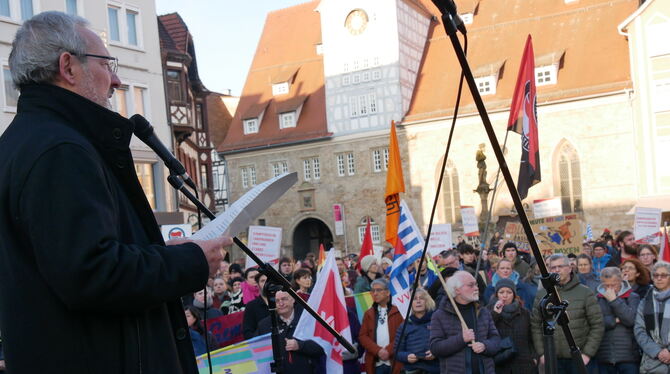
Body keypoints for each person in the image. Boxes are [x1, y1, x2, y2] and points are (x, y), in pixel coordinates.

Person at [0, 12, 231, 374]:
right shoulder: (61, 150)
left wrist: (155, 254)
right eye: (107, 64)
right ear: (69, 67)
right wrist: (190, 262)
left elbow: (77, 260)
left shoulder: (27, 142)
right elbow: (93, 275)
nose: (117, 80)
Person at [530, 253, 604, 374]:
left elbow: (597, 325)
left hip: (579, 359)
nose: (557, 270)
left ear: (569, 268)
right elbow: (535, 325)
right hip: (553, 360)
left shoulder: (585, 292)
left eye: (560, 266)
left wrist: (587, 354)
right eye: (553, 267)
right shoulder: (542, 294)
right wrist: (542, 353)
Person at [430, 270, 500, 373]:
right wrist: (461, 339)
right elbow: (435, 348)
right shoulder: (440, 315)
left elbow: (496, 340)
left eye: (476, 284)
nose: (476, 288)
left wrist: (485, 346)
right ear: (457, 290)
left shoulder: (483, 311)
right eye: (471, 285)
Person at [257, 291, 325, 372]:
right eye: (276, 301)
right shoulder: (264, 325)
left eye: (284, 299)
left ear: (293, 299)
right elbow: (259, 353)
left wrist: (299, 345)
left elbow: (322, 347)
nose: (280, 303)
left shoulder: (308, 318)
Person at [594, 267, 640, 374]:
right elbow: (596, 323)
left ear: (620, 281)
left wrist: (613, 300)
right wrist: (614, 320)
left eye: (613, 285)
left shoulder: (632, 297)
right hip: (604, 355)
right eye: (606, 285)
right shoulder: (597, 298)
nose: (610, 289)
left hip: (628, 356)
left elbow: (630, 320)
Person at [488, 278, 535, 374]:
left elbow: (532, 337)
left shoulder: (524, 313)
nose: (505, 295)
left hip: (523, 363)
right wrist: (495, 314)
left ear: (514, 294)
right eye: (501, 292)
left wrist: (534, 357)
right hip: (500, 363)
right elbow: (484, 331)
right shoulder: (488, 311)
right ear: (496, 294)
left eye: (509, 292)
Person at [360, 278, 404, 374]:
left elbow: (403, 335)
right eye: (373, 291)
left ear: (388, 292)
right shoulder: (368, 313)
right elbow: (363, 336)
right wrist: (378, 351)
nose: (375, 293)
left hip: (395, 361)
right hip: (375, 363)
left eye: (379, 290)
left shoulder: (399, 312)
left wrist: (388, 350)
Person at [634, 261, 670, 373]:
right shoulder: (645, 302)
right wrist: (658, 352)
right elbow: (639, 330)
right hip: (652, 362)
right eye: (656, 275)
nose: (659, 278)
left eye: (664, 275)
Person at [393, 288, 440, 374]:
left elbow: (446, 344)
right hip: (413, 370)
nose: (418, 301)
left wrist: (436, 352)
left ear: (427, 302)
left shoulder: (437, 321)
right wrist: (406, 356)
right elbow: (397, 352)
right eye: (414, 299)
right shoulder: (404, 326)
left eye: (421, 298)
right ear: (409, 304)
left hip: (435, 369)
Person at [242, 272, 269, 339]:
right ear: (257, 284)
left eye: (268, 280)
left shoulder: (281, 301)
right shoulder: (251, 306)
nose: (266, 283)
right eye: (263, 281)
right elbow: (248, 332)